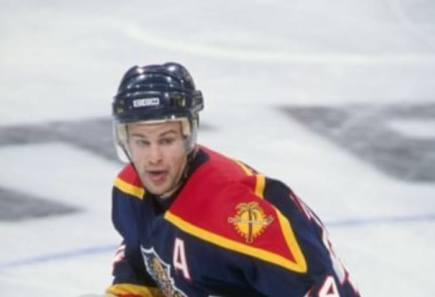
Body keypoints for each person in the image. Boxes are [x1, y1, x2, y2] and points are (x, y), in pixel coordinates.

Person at [105, 62, 360, 297]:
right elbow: (140, 264)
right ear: (126, 141)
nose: (154, 157)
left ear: (188, 137)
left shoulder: (237, 213)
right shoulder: (129, 191)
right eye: (141, 142)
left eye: (167, 140)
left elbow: (316, 282)